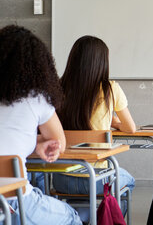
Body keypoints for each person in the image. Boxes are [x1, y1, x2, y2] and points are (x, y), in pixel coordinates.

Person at [0, 25, 82, 225]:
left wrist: (34, 143)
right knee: (72, 218)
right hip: (13, 201)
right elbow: (57, 142)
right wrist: (39, 143)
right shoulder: (36, 99)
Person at [53, 36, 136, 202]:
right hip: (97, 179)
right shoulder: (110, 89)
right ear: (102, 62)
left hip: (61, 179)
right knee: (130, 181)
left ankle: (82, 218)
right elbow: (130, 128)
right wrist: (115, 123)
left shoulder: (57, 87)